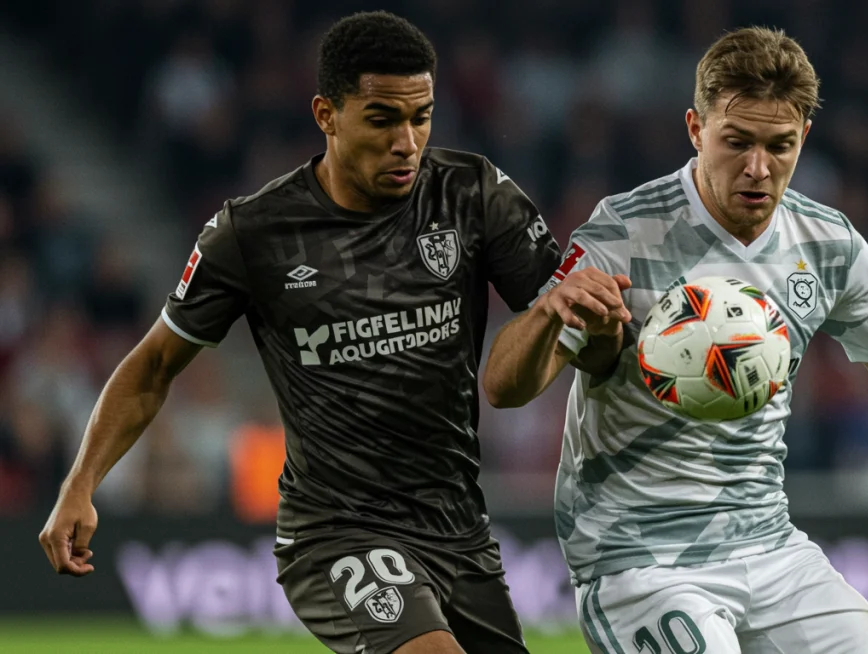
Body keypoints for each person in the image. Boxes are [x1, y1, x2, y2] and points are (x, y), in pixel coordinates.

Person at [483, 27, 868, 653]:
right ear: (696, 130)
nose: (759, 168)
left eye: (780, 146)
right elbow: (504, 388)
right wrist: (546, 316)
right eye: (737, 142)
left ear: (804, 137)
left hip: (768, 546)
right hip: (639, 558)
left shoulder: (827, 246)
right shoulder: (624, 231)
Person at [38, 11, 563, 654]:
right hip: (337, 531)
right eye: (382, 119)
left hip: (458, 527)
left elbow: (561, 316)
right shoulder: (253, 233)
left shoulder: (470, 194)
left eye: (421, 116)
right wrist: (80, 485)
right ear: (326, 114)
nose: (407, 141)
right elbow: (152, 367)